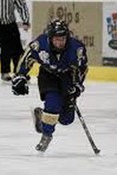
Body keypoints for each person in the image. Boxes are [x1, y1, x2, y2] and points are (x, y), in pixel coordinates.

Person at [11, 19, 88, 152]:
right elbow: (26, 59)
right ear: (50, 38)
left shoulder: (77, 48)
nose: (60, 42)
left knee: (66, 119)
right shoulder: (40, 44)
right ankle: (46, 135)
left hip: (67, 77)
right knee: (53, 105)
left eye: (63, 39)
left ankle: (42, 117)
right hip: (48, 76)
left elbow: (82, 69)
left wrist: (77, 85)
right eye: (56, 39)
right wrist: (20, 76)